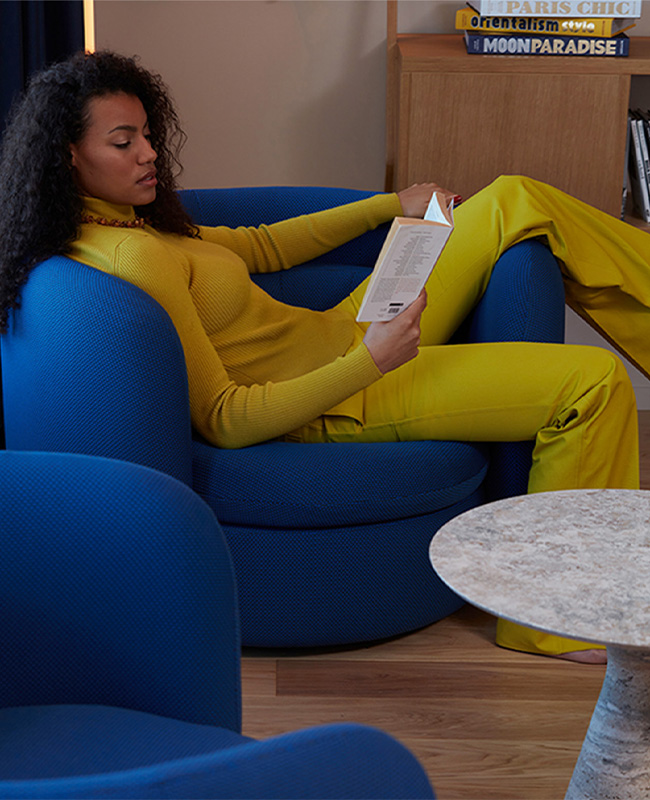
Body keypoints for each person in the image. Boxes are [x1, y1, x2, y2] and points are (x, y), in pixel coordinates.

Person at [0, 50, 646, 663]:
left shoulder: (130, 221)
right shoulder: (129, 257)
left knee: (515, 197)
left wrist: (390, 207)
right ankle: (552, 624)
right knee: (589, 382)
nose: (148, 154)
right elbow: (225, 417)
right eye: (123, 143)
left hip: (346, 331)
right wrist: (373, 360)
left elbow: (262, 246)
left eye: (147, 134)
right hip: (342, 389)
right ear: (67, 156)